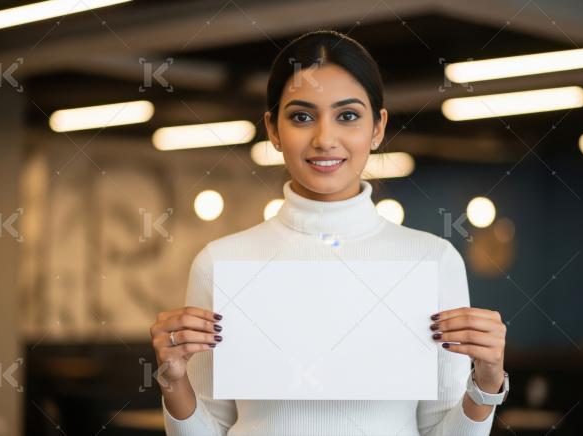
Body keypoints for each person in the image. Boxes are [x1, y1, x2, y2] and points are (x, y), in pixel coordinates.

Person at [149, 29, 508, 435]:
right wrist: (174, 380)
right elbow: (210, 427)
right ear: (272, 129)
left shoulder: (432, 260)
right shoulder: (221, 262)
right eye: (301, 116)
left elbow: (440, 431)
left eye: (348, 116)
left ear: (377, 128)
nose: (324, 138)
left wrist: (488, 381)